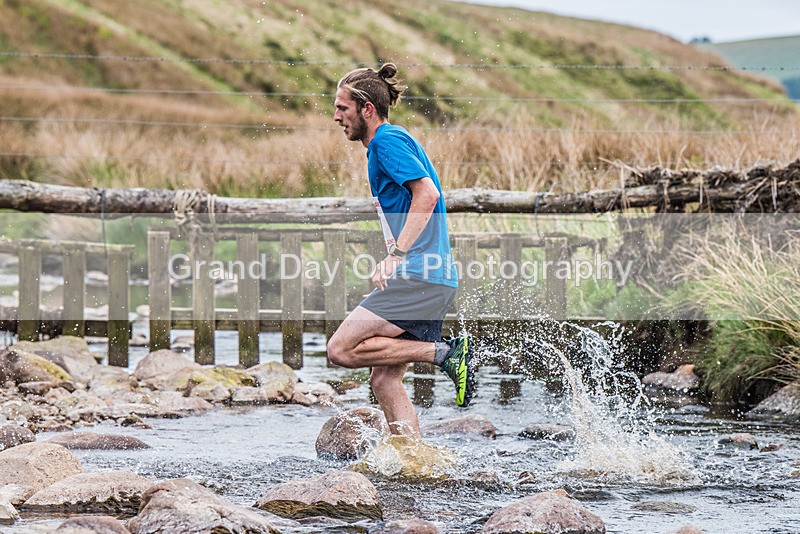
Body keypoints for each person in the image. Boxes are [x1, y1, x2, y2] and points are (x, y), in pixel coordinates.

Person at [327, 63, 475, 438]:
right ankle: (412, 458)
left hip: (419, 275)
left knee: (341, 350)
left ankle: (442, 353)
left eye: (342, 108)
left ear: (367, 109)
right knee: (383, 379)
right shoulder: (393, 139)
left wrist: (397, 255)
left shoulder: (385, 142)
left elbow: (428, 194)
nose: (335, 117)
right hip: (433, 276)